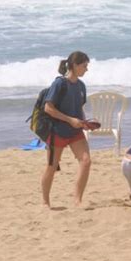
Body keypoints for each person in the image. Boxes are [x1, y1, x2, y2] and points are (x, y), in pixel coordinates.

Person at [40, 51, 91, 208]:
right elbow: (48, 108)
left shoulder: (81, 86)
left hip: (76, 132)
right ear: (75, 65)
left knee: (86, 161)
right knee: (52, 167)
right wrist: (70, 120)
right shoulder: (59, 84)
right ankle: (45, 202)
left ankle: (77, 200)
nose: (86, 69)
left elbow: (78, 109)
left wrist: (84, 123)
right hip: (57, 132)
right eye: (84, 66)